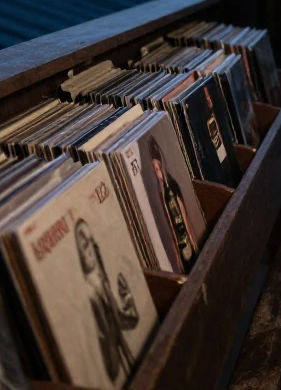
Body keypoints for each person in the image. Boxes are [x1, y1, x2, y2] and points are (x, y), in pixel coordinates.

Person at [76, 218, 140, 382]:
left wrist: (125, 294)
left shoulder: (103, 282)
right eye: (83, 246)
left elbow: (125, 320)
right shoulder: (89, 297)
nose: (89, 250)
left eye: (90, 243)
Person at [149, 137, 197, 271]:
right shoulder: (160, 191)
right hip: (175, 232)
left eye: (158, 167)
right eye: (155, 168)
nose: (157, 171)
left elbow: (182, 208)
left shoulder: (172, 184)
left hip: (183, 226)